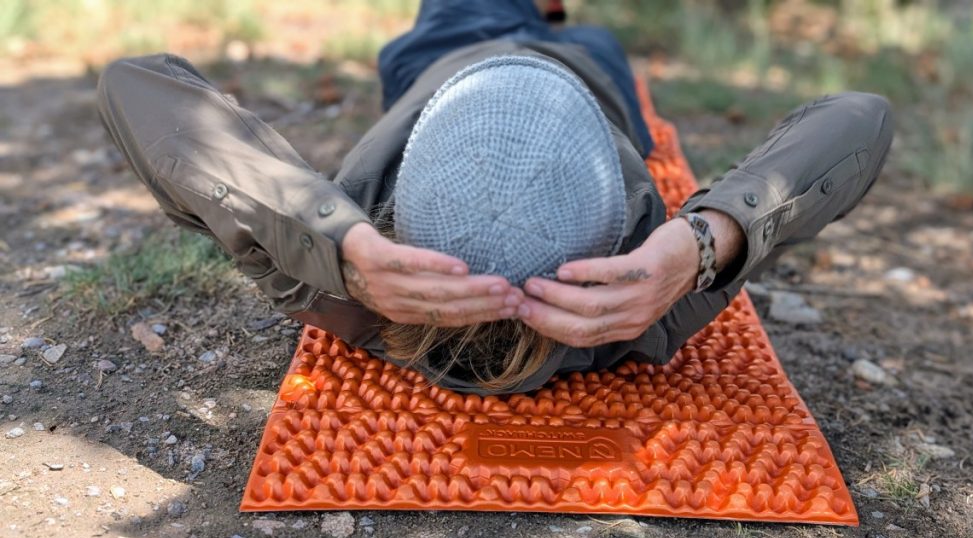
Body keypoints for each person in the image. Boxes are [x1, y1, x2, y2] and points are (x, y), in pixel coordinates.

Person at [96, 0, 893, 395]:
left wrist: (336, 242)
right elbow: (861, 118)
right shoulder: (639, 303)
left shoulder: (352, 279)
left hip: (443, 57)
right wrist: (705, 243)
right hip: (590, 74)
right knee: (563, 21)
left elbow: (135, 85)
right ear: (618, 237)